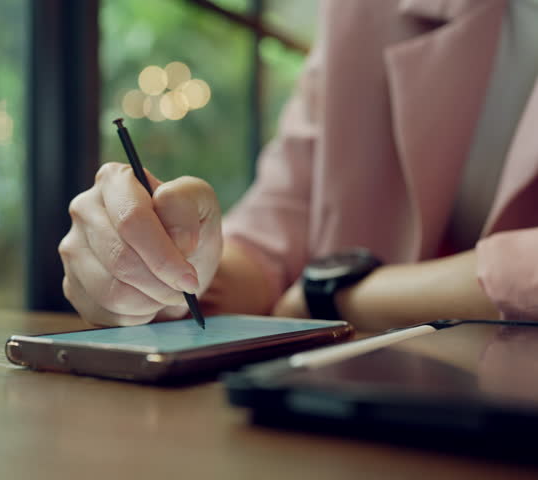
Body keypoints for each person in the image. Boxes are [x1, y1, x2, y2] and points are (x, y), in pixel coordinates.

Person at [58, 0, 538, 330]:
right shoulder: (367, 11)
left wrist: (331, 297)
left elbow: (299, 295)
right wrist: (168, 266)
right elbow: (274, 236)